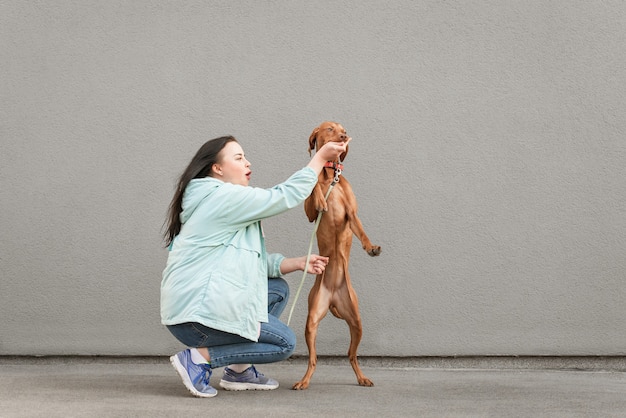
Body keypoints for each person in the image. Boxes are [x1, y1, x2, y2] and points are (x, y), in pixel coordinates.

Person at [161, 134, 349, 397]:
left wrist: (294, 263)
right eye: (238, 158)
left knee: (277, 289)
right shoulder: (222, 198)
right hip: (196, 318)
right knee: (284, 343)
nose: (247, 163)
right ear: (217, 168)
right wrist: (319, 159)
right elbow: (283, 196)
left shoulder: (216, 199)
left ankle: (239, 370)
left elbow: (245, 263)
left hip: (196, 310)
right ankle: (198, 359)